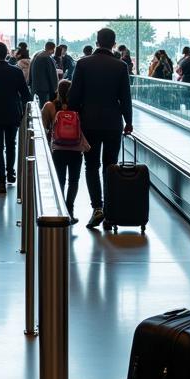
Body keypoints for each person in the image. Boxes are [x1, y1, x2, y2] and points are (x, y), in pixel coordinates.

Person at [68, 27, 133, 230]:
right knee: (110, 166)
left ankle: (97, 207)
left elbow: (74, 96)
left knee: (91, 166)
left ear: (97, 42)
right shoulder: (120, 66)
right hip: (113, 123)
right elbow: (126, 98)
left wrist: (75, 114)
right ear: (114, 44)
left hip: (89, 123)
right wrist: (128, 121)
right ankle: (111, 212)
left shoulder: (83, 64)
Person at [0, 41, 31, 194]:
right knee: (11, 144)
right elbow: (25, 95)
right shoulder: (16, 71)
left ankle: (1, 181)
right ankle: (11, 173)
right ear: (7, 53)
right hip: (13, 113)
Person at [41, 79, 87, 221]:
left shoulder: (50, 106)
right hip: (75, 149)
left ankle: (60, 210)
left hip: (58, 149)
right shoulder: (78, 106)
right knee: (74, 180)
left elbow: (44, 127)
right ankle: (70, 209)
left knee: (59, 179)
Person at [29, 40, 58, 105]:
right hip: (44, 90)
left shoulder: (36, 55)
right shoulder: (47, 58)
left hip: (35, 87)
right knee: (43, 108)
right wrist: (55, 89)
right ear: (53, 49)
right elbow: (52, 75)